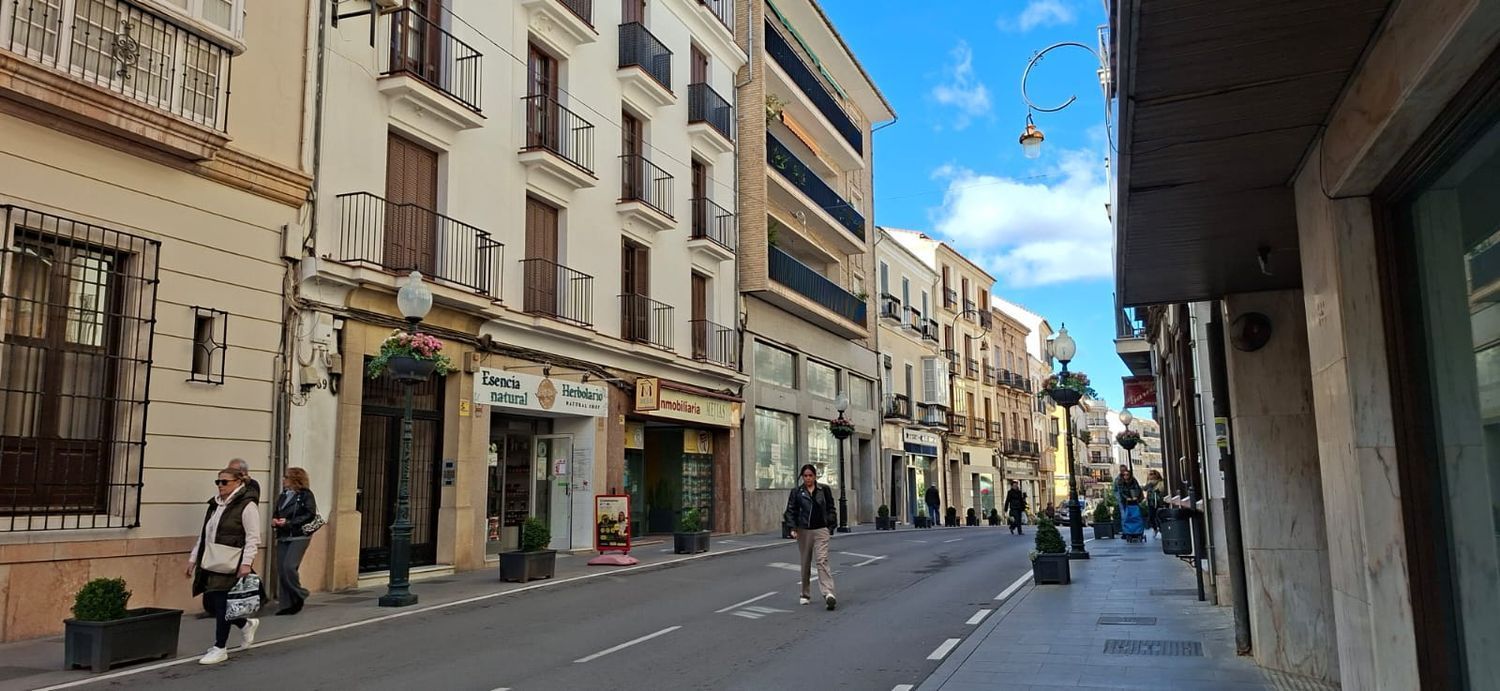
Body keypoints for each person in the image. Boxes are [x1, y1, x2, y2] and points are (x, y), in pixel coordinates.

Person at [187, 467, 262, 665]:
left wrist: (246, 564)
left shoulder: (247, 506)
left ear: (238, 483)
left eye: (224, 482)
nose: (220, 485)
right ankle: (245, 623)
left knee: (221, 604)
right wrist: (193, 559)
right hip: (211, 560)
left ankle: (220, 647)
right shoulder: (215, 505)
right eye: (218, 482)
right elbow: (205, 534)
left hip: (231, 560)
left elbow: (253, 538)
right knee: (211, 603)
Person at [784, 464, 838, 610]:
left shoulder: (824, 490)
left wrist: (830, 526)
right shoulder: (796, 492)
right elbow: (790, 511)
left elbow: (831, 508)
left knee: (822, 560)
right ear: (802, 477)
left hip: (821, 529)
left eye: (810, 475)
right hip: (804, 531)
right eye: (805, 476)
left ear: (815, 476)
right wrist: (793, 528)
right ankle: (805, 594)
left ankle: (828, 593)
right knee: (806, 562)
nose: (808, 478)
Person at [272, 467, 317, 615]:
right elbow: (277, 511)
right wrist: (275, 520)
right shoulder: (283, 495)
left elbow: (309, 514)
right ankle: (287, 605)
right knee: (282, 569)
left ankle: (300, 594)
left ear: (295, 479)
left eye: (286, 477)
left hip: (299, 535)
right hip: (283, 535)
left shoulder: (305, 495)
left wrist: (289, 522)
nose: (283, 479)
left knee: (289, 567)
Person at [1143, 469, 1167, 535]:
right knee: (1151, 517)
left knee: (1159, 516)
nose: (1151, 476)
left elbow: (1162, 490)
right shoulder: (1148, 483)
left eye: (1153, 474)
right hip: (1151, 502)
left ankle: (1161, 530)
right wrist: (1149, 485)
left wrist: (1156, 490)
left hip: (1159, 502)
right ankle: (1155, 529)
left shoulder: (1160, 482)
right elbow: (1144, 489)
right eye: (1150, 474)